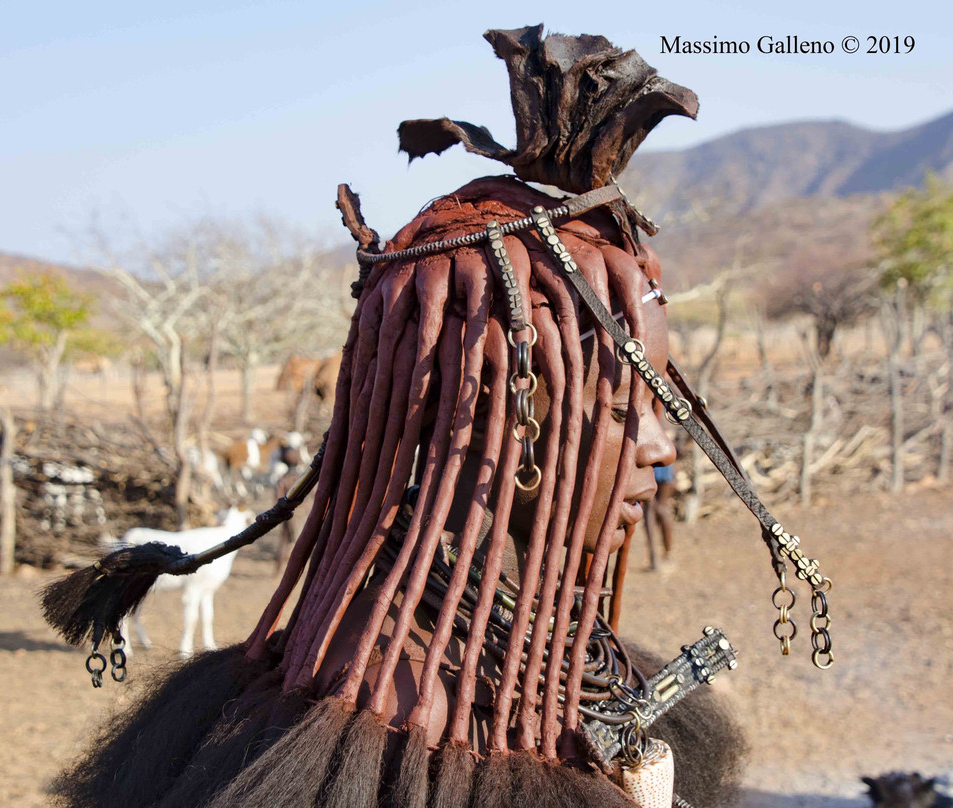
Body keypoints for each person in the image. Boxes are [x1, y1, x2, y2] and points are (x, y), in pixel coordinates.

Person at [51, 26, 788, 808]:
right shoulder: (394, 719)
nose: (659, 448)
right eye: (617, 406)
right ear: (494, 416)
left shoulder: (554, 657)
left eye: (658, 403)